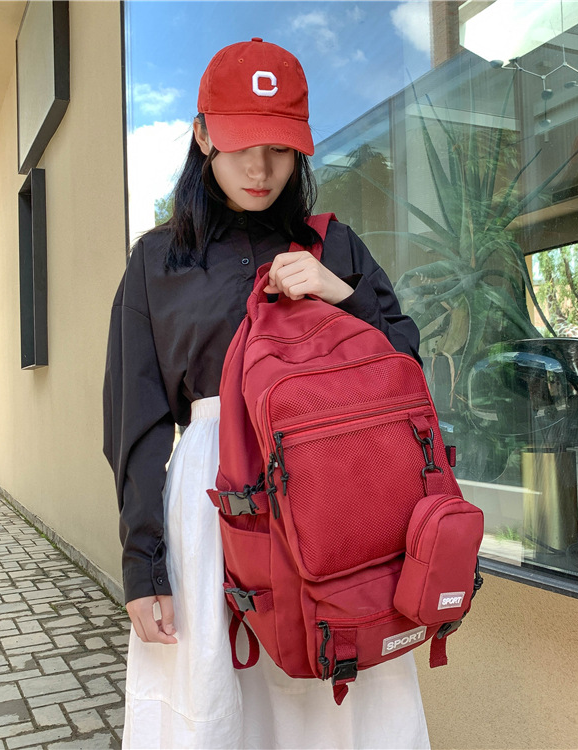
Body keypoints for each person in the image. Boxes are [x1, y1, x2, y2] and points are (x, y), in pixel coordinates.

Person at [103, 38, 429, 749]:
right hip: (211, 506)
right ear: (203, 136)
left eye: (280, 148)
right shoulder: (158, 261)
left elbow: (406, 370)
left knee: (339, 705)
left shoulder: (335, 245)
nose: (260, 168)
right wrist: (143, 565)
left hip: (339, 499)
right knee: (220, 704)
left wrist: (342, 296)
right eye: (242, 144)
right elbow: (137, 423)